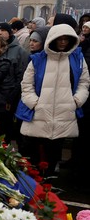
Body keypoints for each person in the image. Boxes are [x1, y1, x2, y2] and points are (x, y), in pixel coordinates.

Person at [16, 24, 90, 176]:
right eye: (59, 39)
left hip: (64, 113)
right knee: (33, 152)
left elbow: (84, 83)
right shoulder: (38, 59)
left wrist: (76, 101)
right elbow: (27, 84)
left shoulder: (77, 59)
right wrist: (35, 103)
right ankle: (34, 182)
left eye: (66, 39)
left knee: (54, 152)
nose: (63, 42)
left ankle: (48, 182)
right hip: (39, 113)